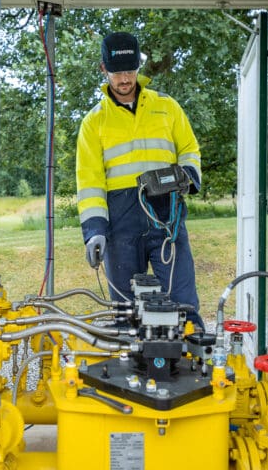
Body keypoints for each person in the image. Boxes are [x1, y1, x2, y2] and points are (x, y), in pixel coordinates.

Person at [75, 31, 204, 329]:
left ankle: (194, 368)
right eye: (118, 72)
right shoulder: (93, 123)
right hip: (121, 228)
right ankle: (129, 372)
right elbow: (90, 182)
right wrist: (95, 230)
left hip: (165, 218)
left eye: (130, 71)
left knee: (182, 302)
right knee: (126, 312)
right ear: (103, 69)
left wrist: (188, 175)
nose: (125, 79)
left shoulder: (167, 107)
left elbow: (189, 149)